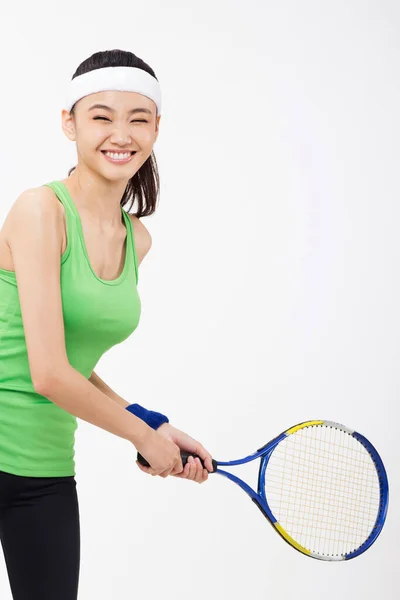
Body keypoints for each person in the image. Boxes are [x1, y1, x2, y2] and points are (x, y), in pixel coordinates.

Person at [0, 48, 214, 600]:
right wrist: (139, 434)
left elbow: (68, 362)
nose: (121, 134)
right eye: (101, 116)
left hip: (43, 468)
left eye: (138, 119)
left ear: (156, 130)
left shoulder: (137, 240)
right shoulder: (39, 211)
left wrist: (151, 424)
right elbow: (47, 373)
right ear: (69, 123)